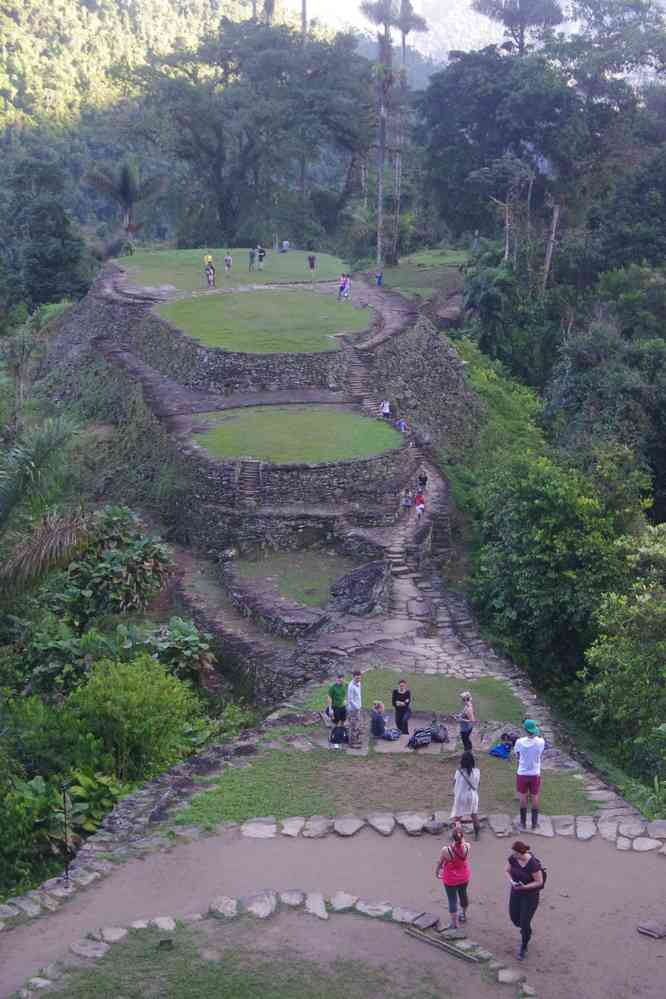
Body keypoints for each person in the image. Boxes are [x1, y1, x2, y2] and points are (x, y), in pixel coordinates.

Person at [506, 840, 544, 961]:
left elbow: (539, 881)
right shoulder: (513, 858)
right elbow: (507, 870)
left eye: (514, 852)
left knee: (524, 922)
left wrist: (524, 887)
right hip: (516, 892)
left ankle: (524, 945)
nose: (513, 854)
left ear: (520, 852)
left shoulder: (532, 864)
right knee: (514, 918)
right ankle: (524, 929)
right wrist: (511, 881)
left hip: (530, 896)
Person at [435, 825, 471, 930]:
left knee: (452, 899)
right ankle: (463, 915)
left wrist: (437, 872)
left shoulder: (446, 850)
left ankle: (454, 924)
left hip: (450, 878)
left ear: (452, 837)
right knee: (463, 895)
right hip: (464, 876)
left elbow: (440, 863)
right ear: (463, 837)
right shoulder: (468, 846)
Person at [513, 719, 546, 830]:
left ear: (525, 730)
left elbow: (517, 754)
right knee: (535, 796)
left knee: (523, 796)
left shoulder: (519, 742)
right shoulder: (541, 742)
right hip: (535, 773)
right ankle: (534, 823)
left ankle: (523, 823)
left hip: (522, 772)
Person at [451, 751, 481, 840]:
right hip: (472, 796)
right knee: (474, 815)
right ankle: (477, 835)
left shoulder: (459, 771)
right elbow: (477, 784)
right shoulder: (477, 771)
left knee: (457, 817)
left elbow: (454, 783)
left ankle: (457, 835)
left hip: (461, 796)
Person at [346, 670, 363, 748]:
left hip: (358, 708)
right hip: (353, 710)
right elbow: (350, 700)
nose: (358, 679)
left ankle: (356, 739)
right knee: (353, 726)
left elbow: (358, 696)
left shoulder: (359, 683)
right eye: (357, 678)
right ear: (353, 677)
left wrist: (359, 706)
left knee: (357, 725)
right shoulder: (351, 687)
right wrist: (357, 708)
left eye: (359, 678)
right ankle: (352, 743)